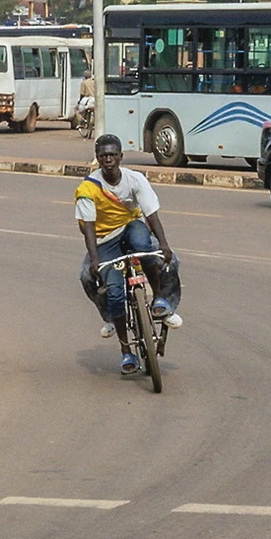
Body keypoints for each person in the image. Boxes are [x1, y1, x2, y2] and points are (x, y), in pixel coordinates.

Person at [76, 133, 182, 375]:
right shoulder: (88, 188)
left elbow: (150, 214)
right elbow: (89, 228)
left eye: (113, 154)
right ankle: (125, 348)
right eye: (104, 155)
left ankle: (161, 302)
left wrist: (164, 244)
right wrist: (95, 260)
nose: (109, 159)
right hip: (104, 239)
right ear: (98, 158)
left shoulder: (135, 179)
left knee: (158, 255)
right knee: (100, 284)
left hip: (131, 227)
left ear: (121, 157)